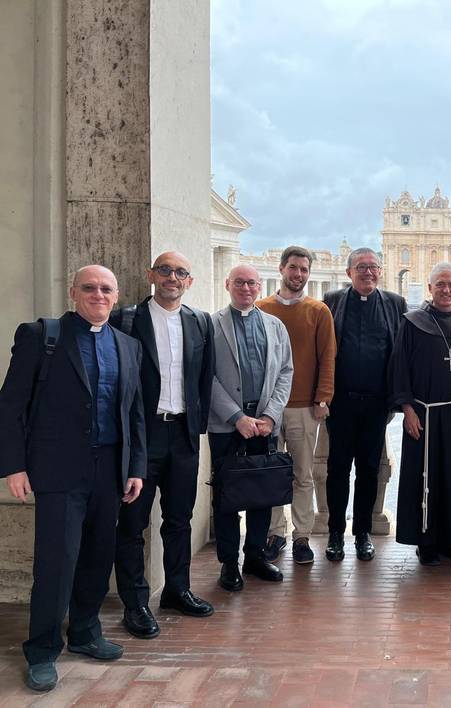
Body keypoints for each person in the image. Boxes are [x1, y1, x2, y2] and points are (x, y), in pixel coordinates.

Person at [0, 265, 146, 692]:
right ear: (73, 292)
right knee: (56, 564)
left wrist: (135, 467)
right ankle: (42, 649)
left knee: (98, 558)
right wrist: (13, 465)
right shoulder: (40, 336)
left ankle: (84, 633)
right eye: (89, 288)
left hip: (110, 470)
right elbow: (11, 407)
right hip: (58, 469)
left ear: (116, 296)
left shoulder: (128, 346)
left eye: (106, 289)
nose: (98, 295)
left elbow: (134, 413)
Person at [112, 252, 215, 640]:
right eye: (166, 270)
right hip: (141, 436)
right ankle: (135, 603)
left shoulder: (200, 322)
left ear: (189, 281)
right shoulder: (127, 320)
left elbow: (204, 378)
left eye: (181, 272)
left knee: (179, 519)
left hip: (183, 436)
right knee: (133, 523)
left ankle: (176, 589)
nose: (173, 277)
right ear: (151, 274)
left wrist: (197, 428)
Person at [389, 262, 451, 566]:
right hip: (425, 415)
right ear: (429, 289)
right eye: (440, 284)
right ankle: (426, 541)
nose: (446, 290)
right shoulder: (413, 323)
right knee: (425, 478)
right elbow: (400, 367)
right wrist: (407, 408)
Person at [209, 264, 294, 590]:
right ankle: (229, 563)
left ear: (260, 287)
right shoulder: (211, 325)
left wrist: (271, 416)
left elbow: (285, 372)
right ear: (228, 284)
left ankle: (256, 556)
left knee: (263, 492)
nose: (246, 288)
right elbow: (207, 378)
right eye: (239, 282)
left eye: (251, 283)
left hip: (263, 425)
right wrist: (235, 417)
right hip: (227, 425)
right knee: (227, 496)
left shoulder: (275, 326)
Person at [323, 247, 406, 562]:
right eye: (361, 267)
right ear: (349, 273)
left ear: (381, 272)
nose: (368, 272)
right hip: (340, 403)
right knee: (337, 470)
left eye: (373, 267)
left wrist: (397, 401)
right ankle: (334, 532)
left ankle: (362, 532)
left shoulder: (395, 304)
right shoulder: (331, 301)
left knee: (370, 470)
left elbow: (401, 352)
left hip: (376, 404)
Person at [256, 246, 335, 565]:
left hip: (305, 407)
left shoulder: (318, 311)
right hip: (268, 409)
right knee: (273, 474)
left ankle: (302, 535)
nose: (298, 274)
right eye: (293, 268)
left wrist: (323, 398)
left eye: (304, 269)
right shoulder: (261, 308)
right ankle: (276, 533)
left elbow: (327, 356)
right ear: (281, 269)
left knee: (303, 474)